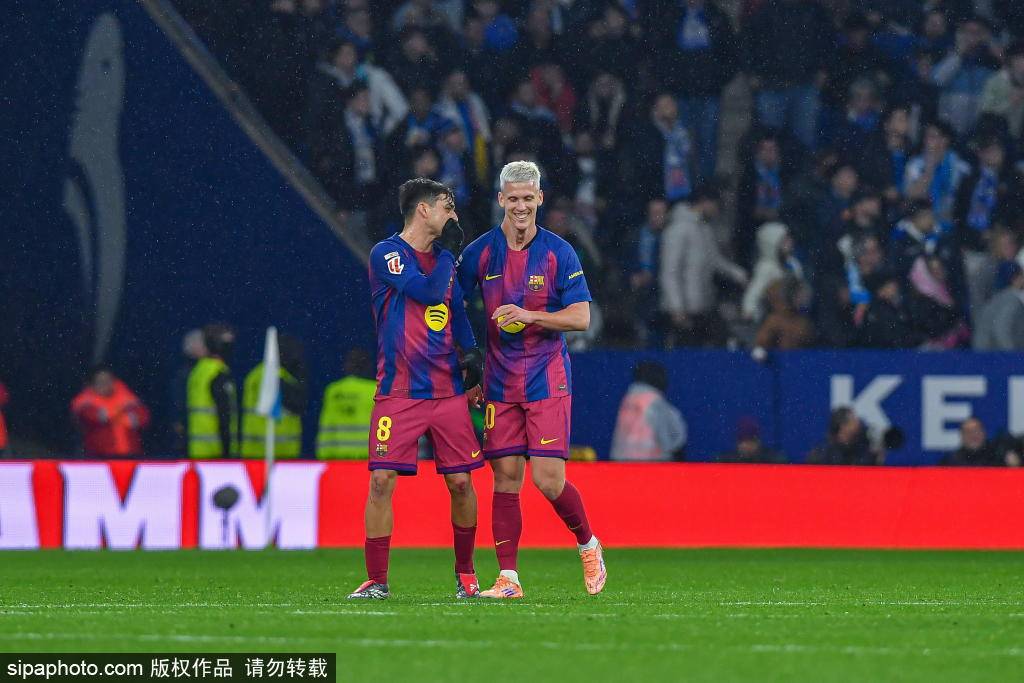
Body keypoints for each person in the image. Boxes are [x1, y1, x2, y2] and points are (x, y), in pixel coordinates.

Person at [457, 160, 605, 598]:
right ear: (500, 199)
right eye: (513, 199)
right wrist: (469, 362)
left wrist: (530, 316)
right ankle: (509, 578)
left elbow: (581, 317)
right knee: (504, 478)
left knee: (548, 480)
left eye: (528, 198)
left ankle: (588, 544)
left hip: (546, 377)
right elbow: (448, 303)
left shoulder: (559, 253)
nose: (520, 207)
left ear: (539, 198)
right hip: (499, 381)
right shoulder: (481, 253)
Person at [348, 178, 485, 601]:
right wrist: (449, 254)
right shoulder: (387, 254)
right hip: (399, 391)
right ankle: (377, 580)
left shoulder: (446, 263)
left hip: (446, 391)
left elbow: (455, 310)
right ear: (424, 210)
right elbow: (428, 292)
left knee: (461, 483)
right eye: (447, 206)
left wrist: (472, 357)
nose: (454, 216)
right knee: (381, 480)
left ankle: (466, 575)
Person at [659, 184, 747, 347]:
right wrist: (676, 307)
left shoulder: (704, 228)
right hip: (683, 310)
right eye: (716, 205)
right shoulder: (678, 228)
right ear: (705, 202)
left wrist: (739, 274)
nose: (717, 210)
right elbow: (670, 272)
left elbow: (714, 260)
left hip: (702, 306)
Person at [240, 335, 308, 459]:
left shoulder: (254, 374)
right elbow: (298, 403)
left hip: (253, 450)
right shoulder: (277, 376)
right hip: (278, 450)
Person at [609, 361, 687, 462]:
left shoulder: (628, 400)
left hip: (620, 463)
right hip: (650, 464)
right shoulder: (654, 403)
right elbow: (674, 440)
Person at [70, 366, 150, 457]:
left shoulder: (127, 397)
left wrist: (113, 415)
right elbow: (95, 418)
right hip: (100, 457)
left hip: (131, 456)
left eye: (108, 380)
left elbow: (143, 418)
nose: (105, 384)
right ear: (92, 385)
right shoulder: (85, 402)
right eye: (101, 381)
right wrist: (121, 412)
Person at [187, 323, 238, 459]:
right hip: (216, 453)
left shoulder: (199, 370)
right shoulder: (218, 373)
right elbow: (224, 415)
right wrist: (227, 451)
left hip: (197, 450)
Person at [317, 348, 377, 459]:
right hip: (367, 457)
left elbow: (327, 424)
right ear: (368, 366)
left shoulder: (334, 390)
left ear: (346, 366)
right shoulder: (375, 390)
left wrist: (323, 455)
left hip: (338, 457)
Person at [169, 329, 206, 455]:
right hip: (191, 434)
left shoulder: (192, 371)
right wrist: (179, 422)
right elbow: (178, 402)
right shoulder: (186, 373)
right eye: (204, 344)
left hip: (199, 433)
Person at [973, 263, 1024, 350]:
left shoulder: (998, 298)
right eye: (1021, 275)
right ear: (1014, 278)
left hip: (985, 352)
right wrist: (1011, 353)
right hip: (993, 353)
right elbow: (1001, 329)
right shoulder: (1011, 300)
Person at [806, 407, 877, 465]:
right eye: (853, 420)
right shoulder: (823, 454)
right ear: (843, 427)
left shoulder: (863, 447)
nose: (858, 423)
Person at [717, 417, 785, 464]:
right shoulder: (727, 462)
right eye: (744, 441)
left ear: (758, 442)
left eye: (751, 441)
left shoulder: (772, 461)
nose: (747, 445)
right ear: (737, 443)